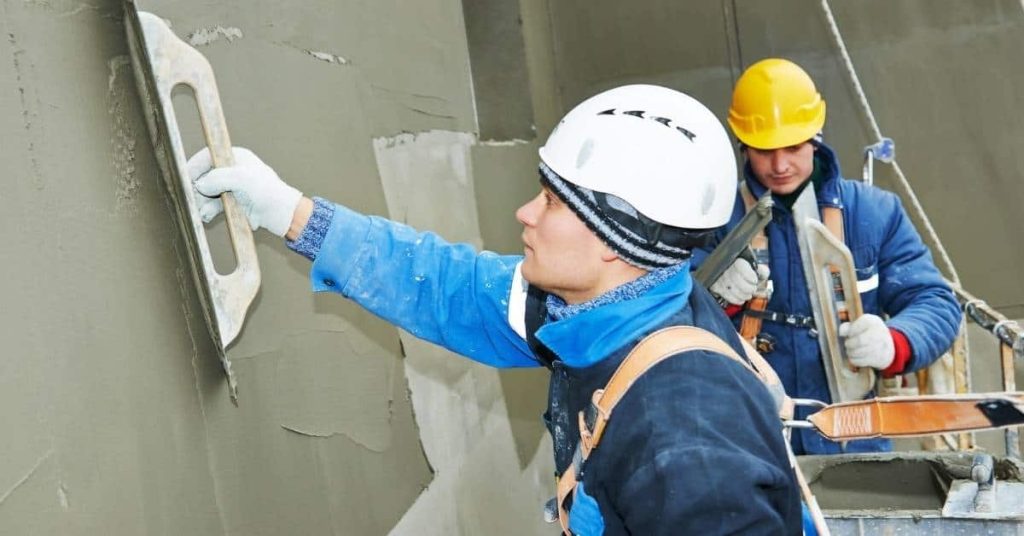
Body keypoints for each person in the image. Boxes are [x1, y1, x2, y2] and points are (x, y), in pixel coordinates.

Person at [188, 85, 801, 534]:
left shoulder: (685, 440)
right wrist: (287, 212)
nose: (525, 214)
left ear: (618, 241)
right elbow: (445, 286)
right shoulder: (594, 311)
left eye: (553, 203)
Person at [698, 58, 961, 455]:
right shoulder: (715, 220)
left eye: (793, 147)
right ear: (743, 145)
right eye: (765, 150)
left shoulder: (873, 213)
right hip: (748, 442)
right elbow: (666, 316)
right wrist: (711, 294)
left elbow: (934, 302)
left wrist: (895, 342)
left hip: (853, 438)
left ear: (816, 137)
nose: (780, 165)